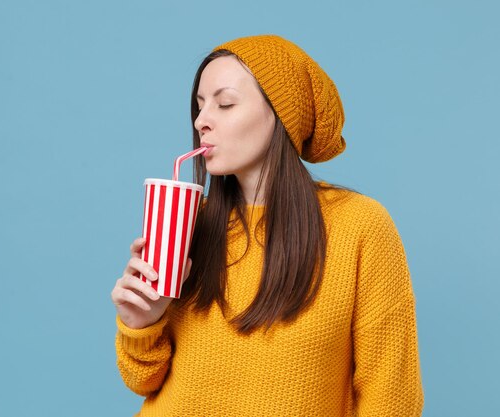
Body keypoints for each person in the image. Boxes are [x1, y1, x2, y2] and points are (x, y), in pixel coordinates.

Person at [111, 34, 424, 416]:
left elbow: (391, 398)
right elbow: (142, 381)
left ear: (281, 116)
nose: (201, 121)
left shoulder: (359, 226)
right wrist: (142, 323)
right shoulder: (190, 223)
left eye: (225, 104)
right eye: (199, 105)